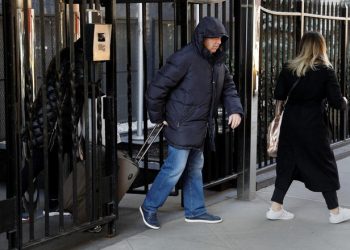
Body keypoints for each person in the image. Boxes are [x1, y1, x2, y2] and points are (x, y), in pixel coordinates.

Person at [139, 16, 244, 230]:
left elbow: (229, 88)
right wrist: (158, 118)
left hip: (201, 126)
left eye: (221, 38)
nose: (218, 42)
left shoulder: (218, 61)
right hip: (181, 124)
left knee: (195, 167)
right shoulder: (185, 57)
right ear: (201, 37)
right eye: (213, 38)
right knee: (175, 168)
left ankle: (195, 210)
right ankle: (149, 206)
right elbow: (156, 89)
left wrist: (235, 110)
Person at [266, 31, 350, 224]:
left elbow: (279, 96)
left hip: (290, 124)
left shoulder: (289, 68)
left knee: (287, 162)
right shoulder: (326, 71)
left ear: (302, 46)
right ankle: (335, 213)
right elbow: (337, 102)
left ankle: (275, 208)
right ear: (321, 47)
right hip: (313, 125)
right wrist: (344, 101)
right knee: (323, 165)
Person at [21, 38, 85, 217]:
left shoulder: (67, 54)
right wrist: (94, 90)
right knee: (38, 162)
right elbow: (79, 84)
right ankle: (13, 203)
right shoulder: (76, 58)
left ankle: (53, 203)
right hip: (51, 120)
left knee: (52, 160)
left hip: (52, 117)